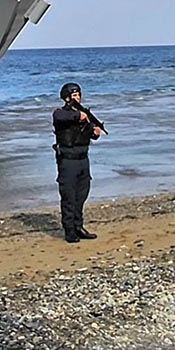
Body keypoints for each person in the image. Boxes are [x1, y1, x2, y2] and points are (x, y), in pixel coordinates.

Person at [52, 82, 103, 243]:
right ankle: (69, 231)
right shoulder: (61, 113)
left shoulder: (85, 115)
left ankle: (78, 226)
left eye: (78, 95)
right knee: (68, 196)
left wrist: (95, 131)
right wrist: (78, 116)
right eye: (74, 96)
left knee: (81, 194)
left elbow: (91, 134)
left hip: (83, 159)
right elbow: (60, 117)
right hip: (68, 161)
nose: (77, 98)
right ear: (66, 98)